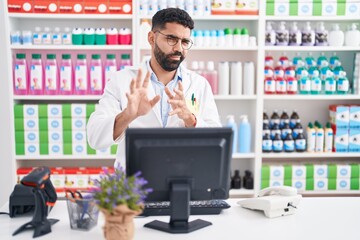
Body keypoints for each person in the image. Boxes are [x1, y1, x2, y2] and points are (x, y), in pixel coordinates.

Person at [87, 8, 221, 167]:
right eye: (171, 39)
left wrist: (190, 120)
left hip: (182, 180)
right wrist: (128, 115)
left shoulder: (199, 84)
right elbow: (95, 139)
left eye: (184, 42)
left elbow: (217, 142)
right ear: (151, 38)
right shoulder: (121, 80)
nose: (179, 48)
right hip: (135, 183)